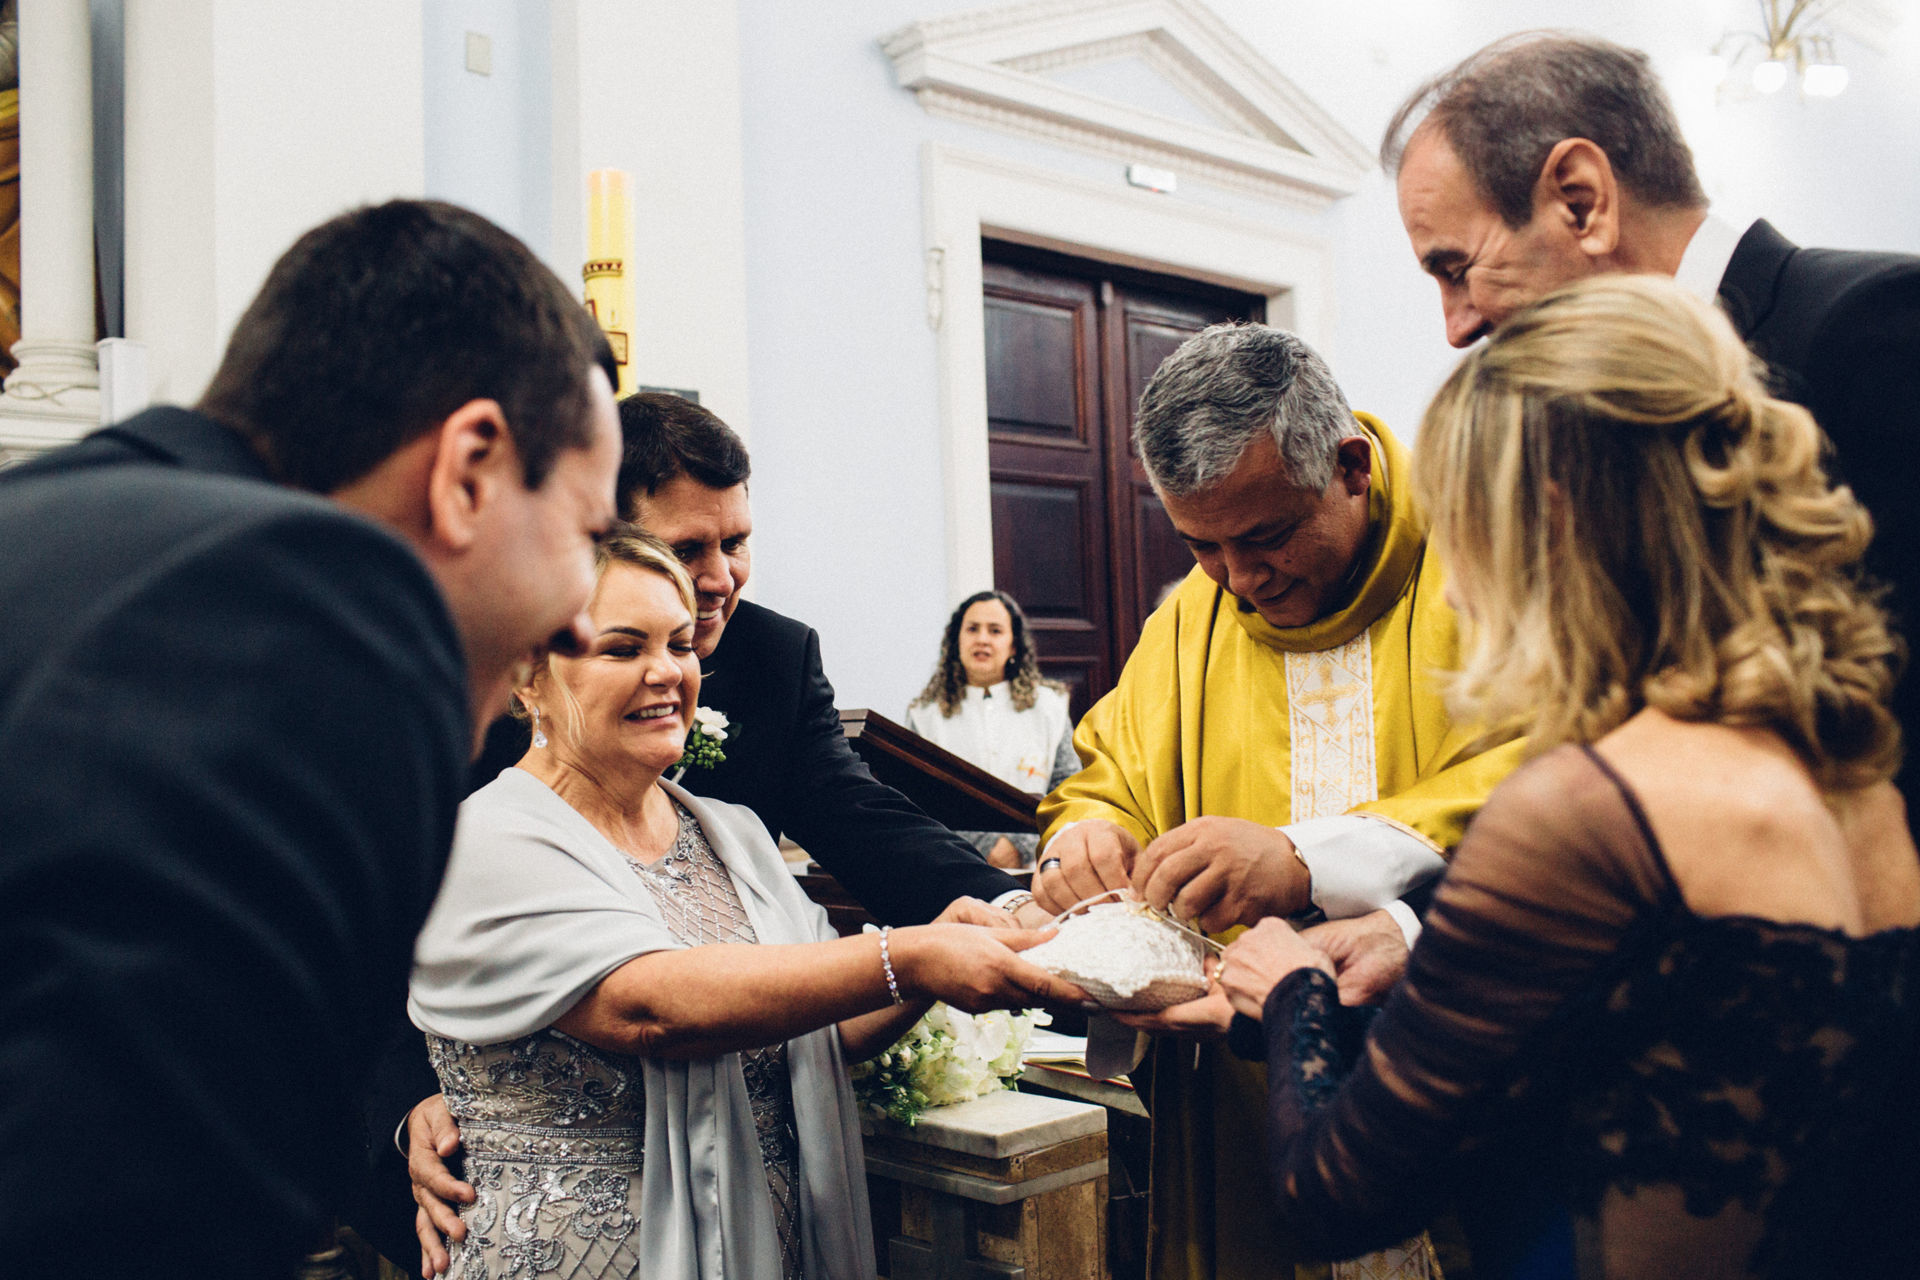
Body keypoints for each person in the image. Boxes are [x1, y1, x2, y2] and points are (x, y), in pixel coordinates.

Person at [1218, 273, 1919, 1280]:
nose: (1457, 583)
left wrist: (1293, 988)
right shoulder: (1861, 782)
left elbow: (1332, 1194)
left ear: (1548, 520)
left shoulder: (1591, 807)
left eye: (1463, 526)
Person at [0, 199, 621, 1278]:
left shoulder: (47, 521)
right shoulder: (315, 610)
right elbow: (141, 1212)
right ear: (470, 466)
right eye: (588, 534)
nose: (579, 618)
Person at [395, 392, 1049, 1274]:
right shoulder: (477, 729)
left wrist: (993, 914)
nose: (719, 582)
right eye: (686, 550)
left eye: (736, 544)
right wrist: (412, 1104)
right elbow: (380, 924)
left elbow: (862, 821)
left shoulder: (751, 734)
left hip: (753, 1222)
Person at [1032, 323, 1524, 1280]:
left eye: (1265, 537)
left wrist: (1307, 859)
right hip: (1239, 1092)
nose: (1241, 581)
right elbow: (1109, 770)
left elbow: (1557, 766)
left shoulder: (1486, 556)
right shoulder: (1196, 610)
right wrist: (1089, 830)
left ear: (1350, 468)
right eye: (1201, 545)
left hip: (1453, 1059)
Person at [1381, 29, 1920, 814]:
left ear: (1582, 200)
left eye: (1457, 268)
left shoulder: (1873, 329)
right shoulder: (1598, 432)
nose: (1457, 329)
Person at [906, 589, 1078, 867]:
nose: (982, 639)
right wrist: (984, 847)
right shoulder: (925, 715)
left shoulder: (1050, 708)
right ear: (956, 641)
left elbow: (1068, 791)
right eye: (972, 629)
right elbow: (919, 800)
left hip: (1037, 866)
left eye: (995, 630)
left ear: (1013, 646)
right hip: (955, 865)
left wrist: (1021, 845)